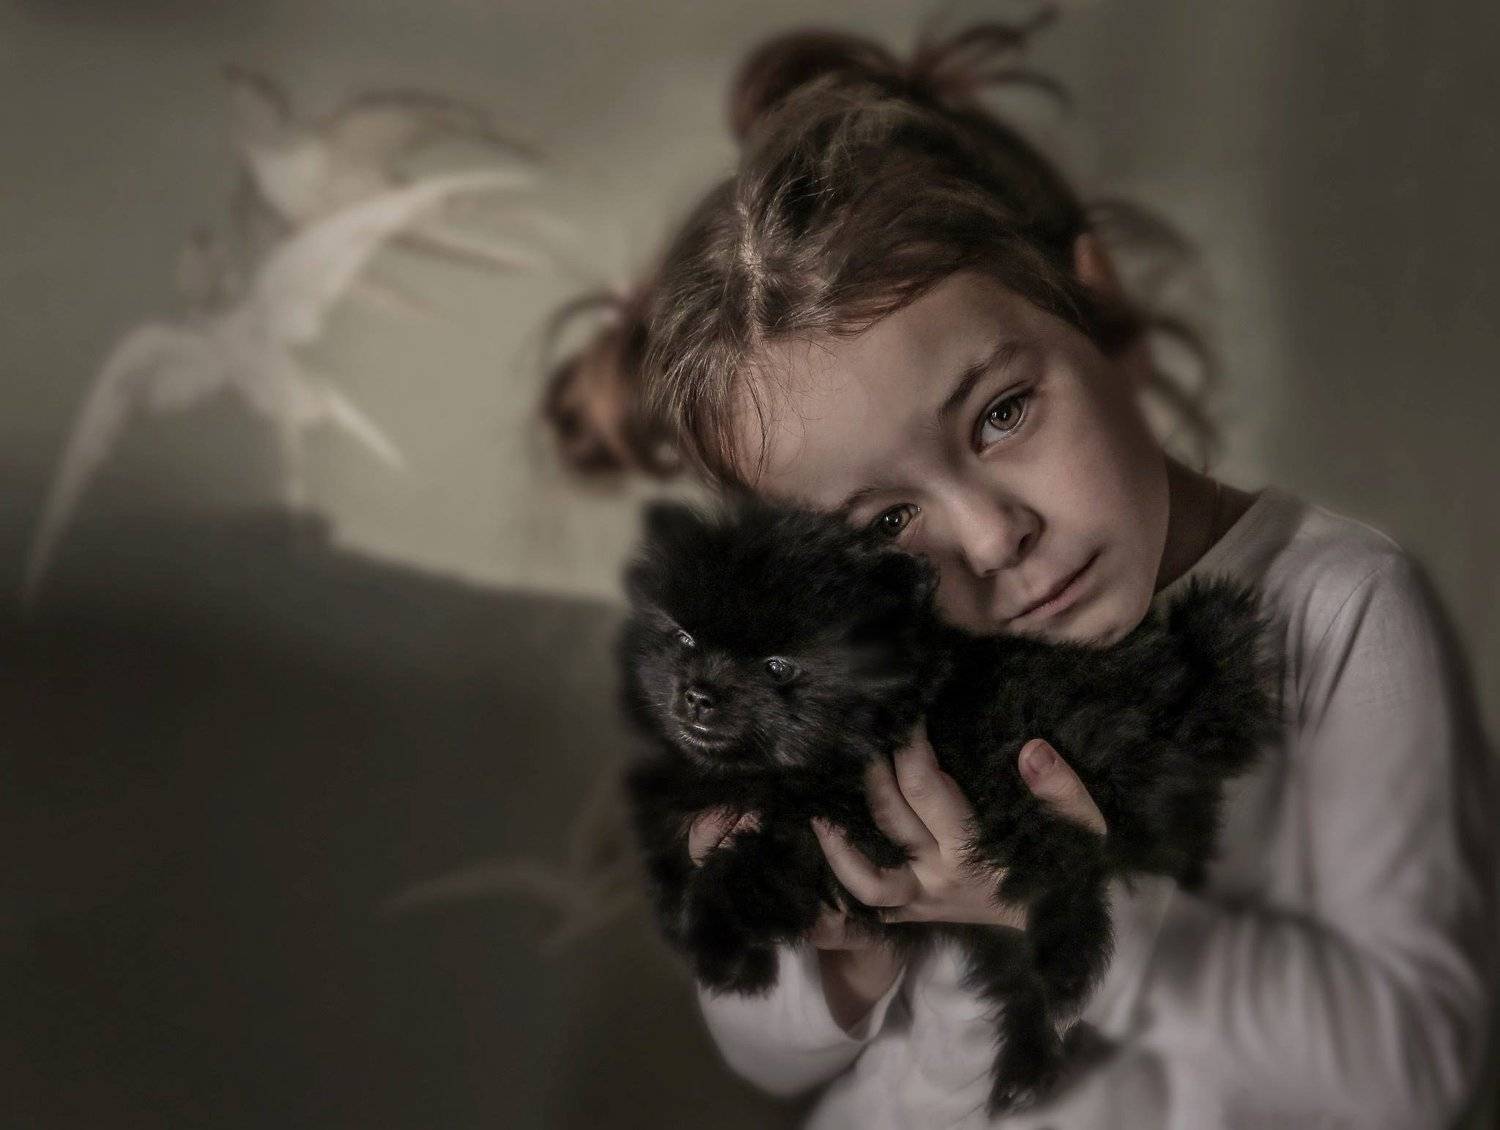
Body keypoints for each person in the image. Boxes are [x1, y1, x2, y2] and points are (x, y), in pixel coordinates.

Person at [538, 12, 1498, 1127]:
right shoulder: (871, 669)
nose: (994, 540)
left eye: (1002, 413)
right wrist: (839, 960)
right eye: (887, 520)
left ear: (1095, 303)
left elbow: (1413, 1067)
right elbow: (766, 1051)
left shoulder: (1336, 609)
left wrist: (1066, 906)